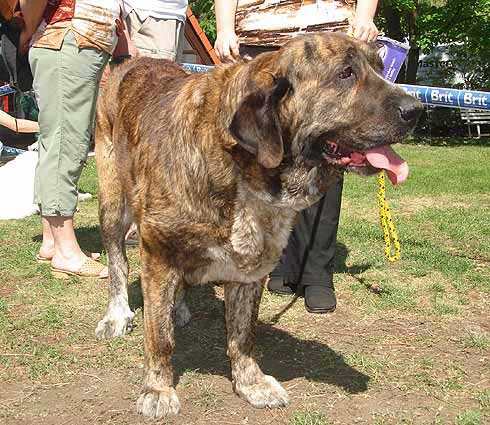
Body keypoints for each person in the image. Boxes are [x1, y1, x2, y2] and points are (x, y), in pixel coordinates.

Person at [214, 0, 379, 313]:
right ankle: (276, 262)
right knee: (261, 163)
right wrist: (224, 28)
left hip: (328, 46)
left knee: (327, 157)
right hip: (261, 42)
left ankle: (317, 272)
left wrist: (364, 16)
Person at [19, 0, 124, 278]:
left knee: (56, 141)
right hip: (67, 41)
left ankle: (52, 242)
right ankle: (66, 252)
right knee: (67, 144)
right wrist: (29, 28)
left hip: (73, 43)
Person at [122, 0, 188, 245]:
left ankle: (144, 218)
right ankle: (140, 221)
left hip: (171, 16)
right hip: (149, 16)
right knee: (151, 131)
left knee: (164, 130)